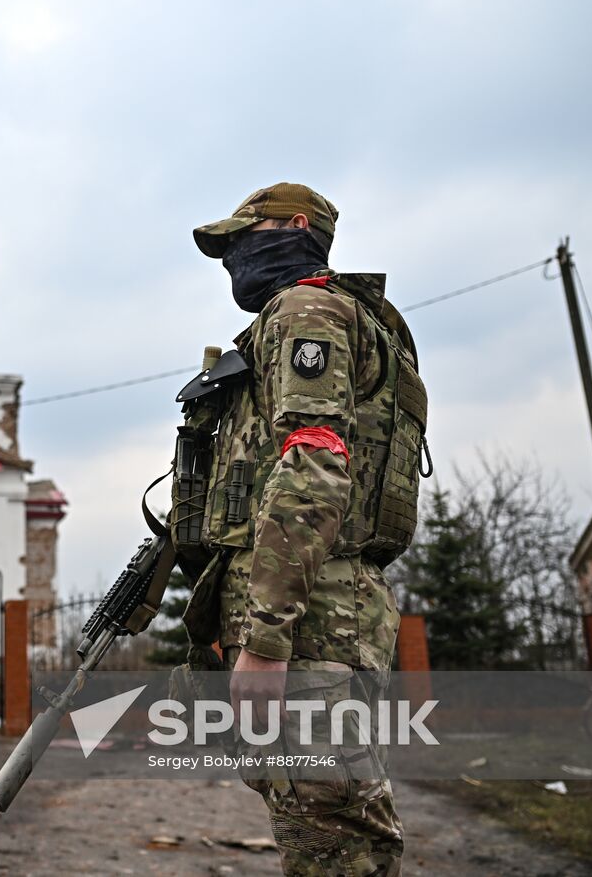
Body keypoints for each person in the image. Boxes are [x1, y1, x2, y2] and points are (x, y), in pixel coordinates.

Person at [179, 183, 429, 876]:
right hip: (313, 610)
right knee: (313, 820)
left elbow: (315, 464)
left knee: (334, 836)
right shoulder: (297, 319)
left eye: (244, 237)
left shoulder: (308, 310)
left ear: (296, 226)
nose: (234, 257)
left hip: (311, 616)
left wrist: (266, 640)